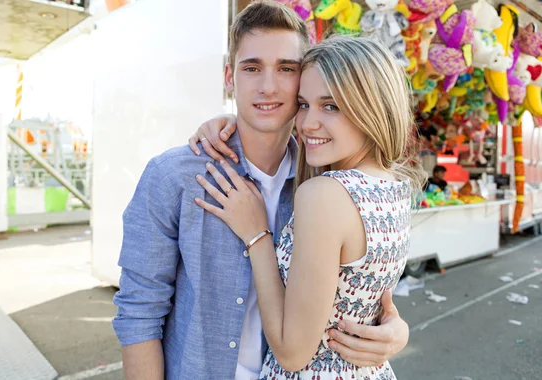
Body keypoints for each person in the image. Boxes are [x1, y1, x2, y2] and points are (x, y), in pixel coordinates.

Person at [113, 2, 409, 379]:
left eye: (286, 69)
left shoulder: (322, 181)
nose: (268, 86)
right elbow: (139, 312)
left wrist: (395, 329)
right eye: (251, 68)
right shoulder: (173, 176)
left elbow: (347, 287)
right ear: (229, 76)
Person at [191, 35, 425, 378]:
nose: (307, 123)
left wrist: (257, 236)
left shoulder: (324, 195)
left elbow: (292, 353)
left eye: (330, 106)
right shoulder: (393, 186)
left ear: (371, 108)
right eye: (303, 104)